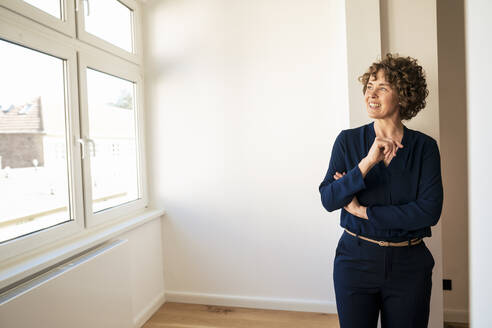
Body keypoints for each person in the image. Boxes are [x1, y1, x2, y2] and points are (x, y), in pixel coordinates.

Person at [318, 53, 443, 328]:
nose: (371, 94)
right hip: (355, 260)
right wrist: (366, 163)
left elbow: (428, 212)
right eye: (369, 86)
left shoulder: (425, 148)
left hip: (409, 265)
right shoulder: (348, 141)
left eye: (382, 87)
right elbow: (329, 199)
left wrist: (362, 211)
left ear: (403, 96)